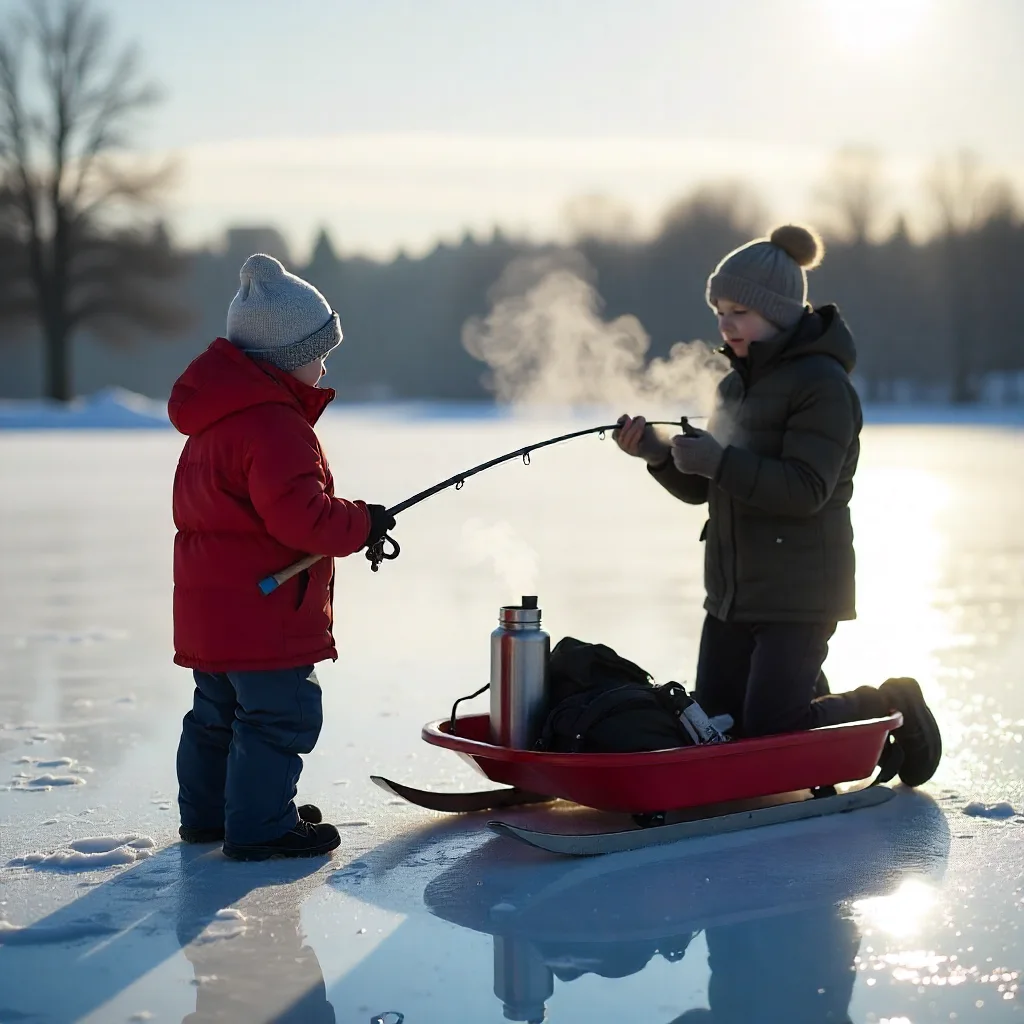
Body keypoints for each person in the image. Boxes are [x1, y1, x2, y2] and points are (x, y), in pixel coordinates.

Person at [614, 224, 941, 786]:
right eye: (719, 310)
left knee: (770, 729)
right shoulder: (733, 388)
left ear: (781, 312)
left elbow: (804, 489)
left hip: (799, 591)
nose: (724, 324)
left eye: (738, 311)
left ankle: (890, 705)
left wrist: (716, 461)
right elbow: (708, 487)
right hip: (733, 595)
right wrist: (658, 454)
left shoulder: (824, 386)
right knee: (717, 727)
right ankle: (806, 701)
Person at [168, 253, 395, 860]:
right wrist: (363, 521)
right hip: (264, 611)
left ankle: (211, 817)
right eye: (320, 353)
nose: (325, 366)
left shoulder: (214, 424)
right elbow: (304, 518)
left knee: (216, 716)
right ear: (289, 358)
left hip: (211, 611)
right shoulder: (275, 426)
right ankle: (261, 824)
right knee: (278, 718)